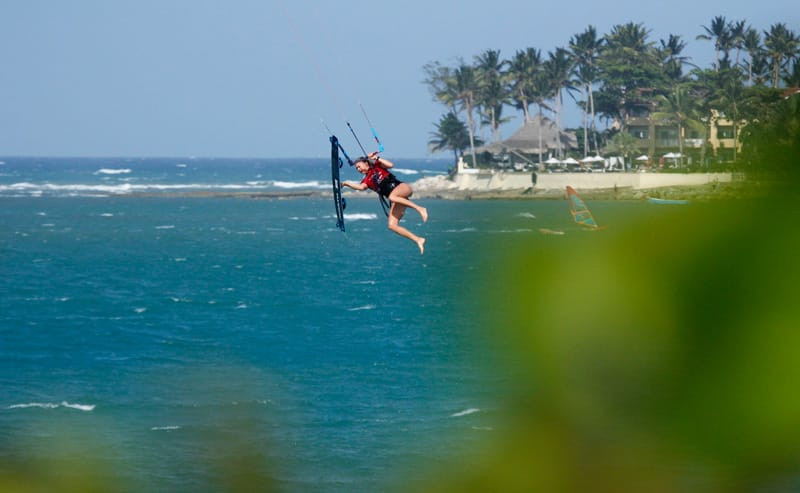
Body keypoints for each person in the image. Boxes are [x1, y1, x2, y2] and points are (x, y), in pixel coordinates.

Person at [342, 152, 428, 254]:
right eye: (356, 168)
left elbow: (390, 165)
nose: (358, 169)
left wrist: (376, 158)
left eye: (359, 166)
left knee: (392, 197)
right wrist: (346, 183)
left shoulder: (377, 166)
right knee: (392, 225)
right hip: (397, 199)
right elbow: (361, 187)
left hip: (403, 188)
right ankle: (418, 240)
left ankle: (420, 208)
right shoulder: (366, 180)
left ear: (366, 163)